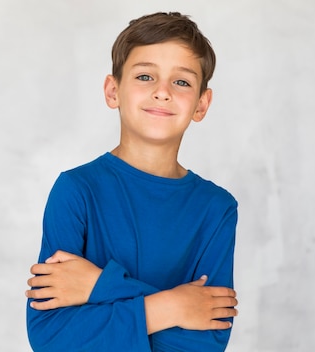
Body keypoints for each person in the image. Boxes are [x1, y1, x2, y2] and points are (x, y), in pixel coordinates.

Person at [25, 12, 239, 351]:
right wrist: (175, 307)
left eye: (181, 81)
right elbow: (50, 336)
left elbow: (205, 342)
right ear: (113, 91)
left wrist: (98, 285)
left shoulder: (217, 209)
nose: (162, 92)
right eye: (145, 76)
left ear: (202, 104)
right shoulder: (76, 190)